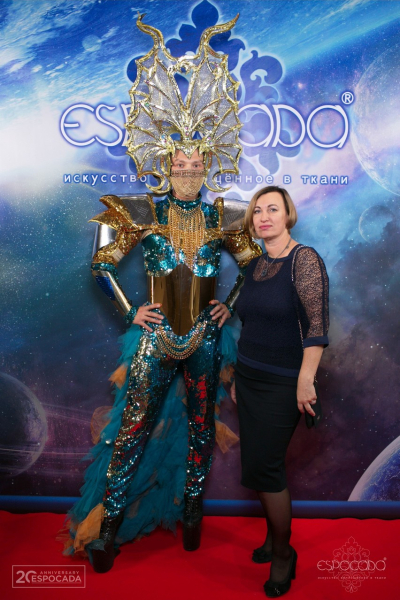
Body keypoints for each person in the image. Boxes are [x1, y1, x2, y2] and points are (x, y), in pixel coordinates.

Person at [62, 14, 261, 573]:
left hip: (205, 339)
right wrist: (132, 310)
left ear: (208, 166)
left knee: (200, 429)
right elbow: (101, 263)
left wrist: (229, 304)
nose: (188, 169)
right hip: (155, 339)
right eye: (180, 162)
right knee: (132, 431)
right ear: (165, 165)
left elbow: (254, 266)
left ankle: (192, 510)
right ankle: (109, 528)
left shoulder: (226, 215)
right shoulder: (141, 211)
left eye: (197, 163)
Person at [233, 185, 329, 597]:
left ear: (288, 214)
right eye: (257, 211)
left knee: (267, 469)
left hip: (284, 382)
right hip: (248, 378)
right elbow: (249, 322)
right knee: (256, 466)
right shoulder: (254, 264)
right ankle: (273, 538)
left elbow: (317, 327)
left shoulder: (303, 259)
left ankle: (284, 554)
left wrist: (305, 381)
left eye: (273, 209)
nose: (263, 217)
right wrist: (237, 378)